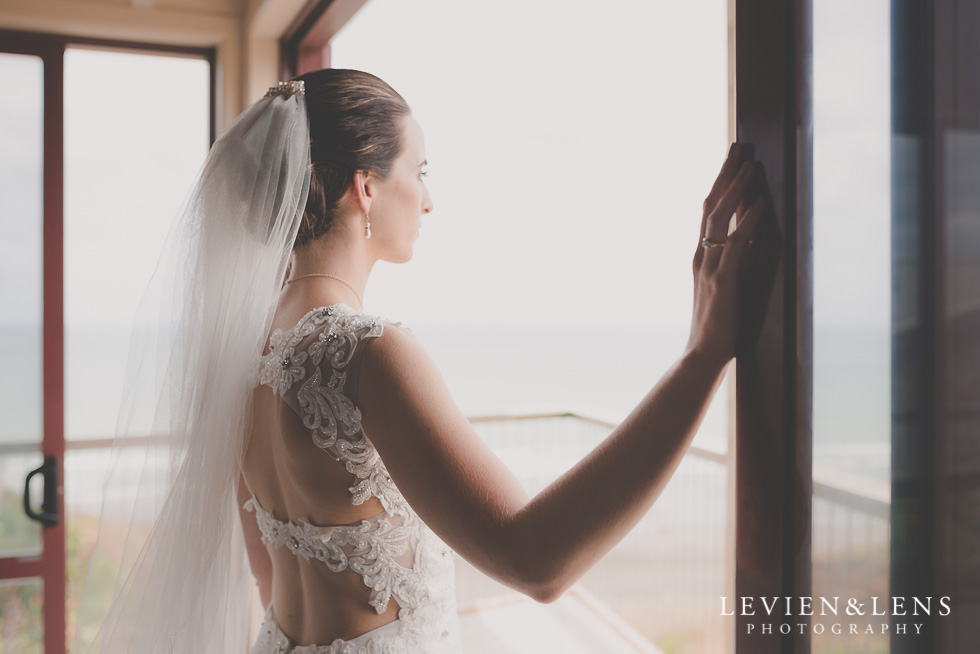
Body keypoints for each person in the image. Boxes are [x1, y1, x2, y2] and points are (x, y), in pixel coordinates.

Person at [72, 68, 765, 654]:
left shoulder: (242, 353)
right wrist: (703, 357)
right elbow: (536, 561)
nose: (429, 200)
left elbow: (268, 574)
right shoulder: (366, 351)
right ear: (365, 188)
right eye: (419, 170)